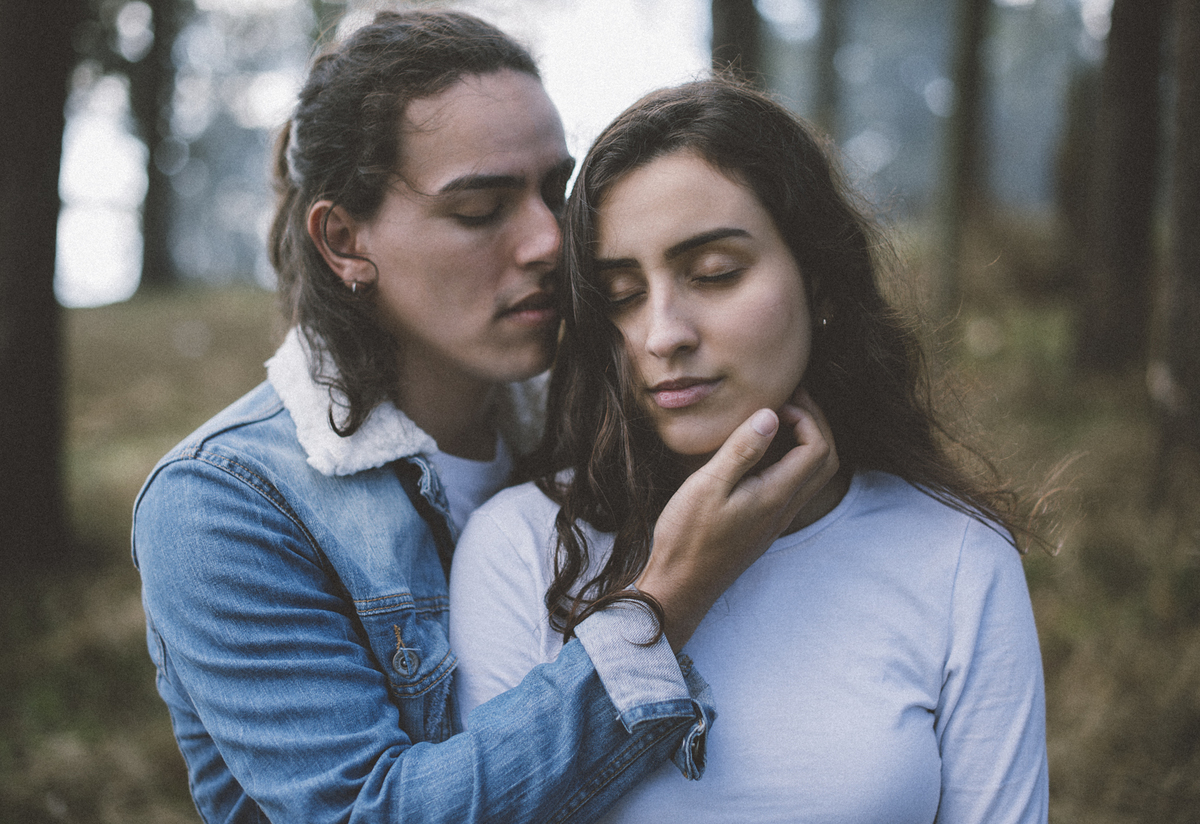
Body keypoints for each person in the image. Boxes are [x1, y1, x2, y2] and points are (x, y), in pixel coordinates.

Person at [131, 15, 840, 824]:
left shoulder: (596, 425)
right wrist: (666, 599)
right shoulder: (225, 504)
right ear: (343, 241)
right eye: (479, 209)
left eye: (554, 192)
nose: (548, 241)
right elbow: (371, 813)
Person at [449, 78, 1050, 823]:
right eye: (623, 294)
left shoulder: (957, 560)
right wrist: (668, 595)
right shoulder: (524, 546)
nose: (663, 334)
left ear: (821, 283)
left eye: (714, 275)